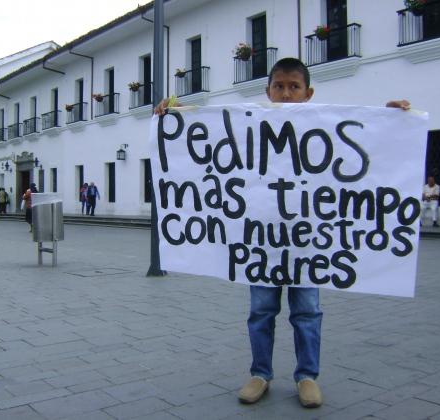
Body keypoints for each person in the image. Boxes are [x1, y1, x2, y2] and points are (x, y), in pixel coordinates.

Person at [156, 57, 411, 409]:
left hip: (308, 242)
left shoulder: (326, 126)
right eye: (279, 86)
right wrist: (173, 115)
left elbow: (361, 152)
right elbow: (212, 132)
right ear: (268, 91)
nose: (286, 94)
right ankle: (260, 373)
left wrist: (390, 120)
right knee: (261, 310)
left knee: (307, 311)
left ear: (308, 93)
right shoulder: (251, 123)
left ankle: (307, 376)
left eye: (294, 87)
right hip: (261, 241)